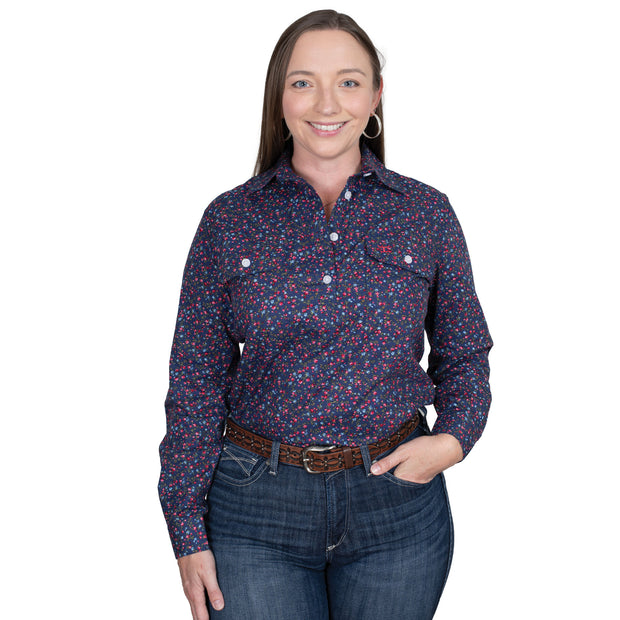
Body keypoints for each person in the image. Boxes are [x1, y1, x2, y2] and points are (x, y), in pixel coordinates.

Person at [159, 9, 492, 620]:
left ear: (376, 96)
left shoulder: (425, 213)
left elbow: (464, 351)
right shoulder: (229, 221)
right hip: (254, 512)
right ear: (279, 97)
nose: (327, 103)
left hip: (398, 508)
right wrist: (185, 527)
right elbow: (195, 381)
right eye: (303, 82)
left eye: (349, 81)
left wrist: (453, 440)